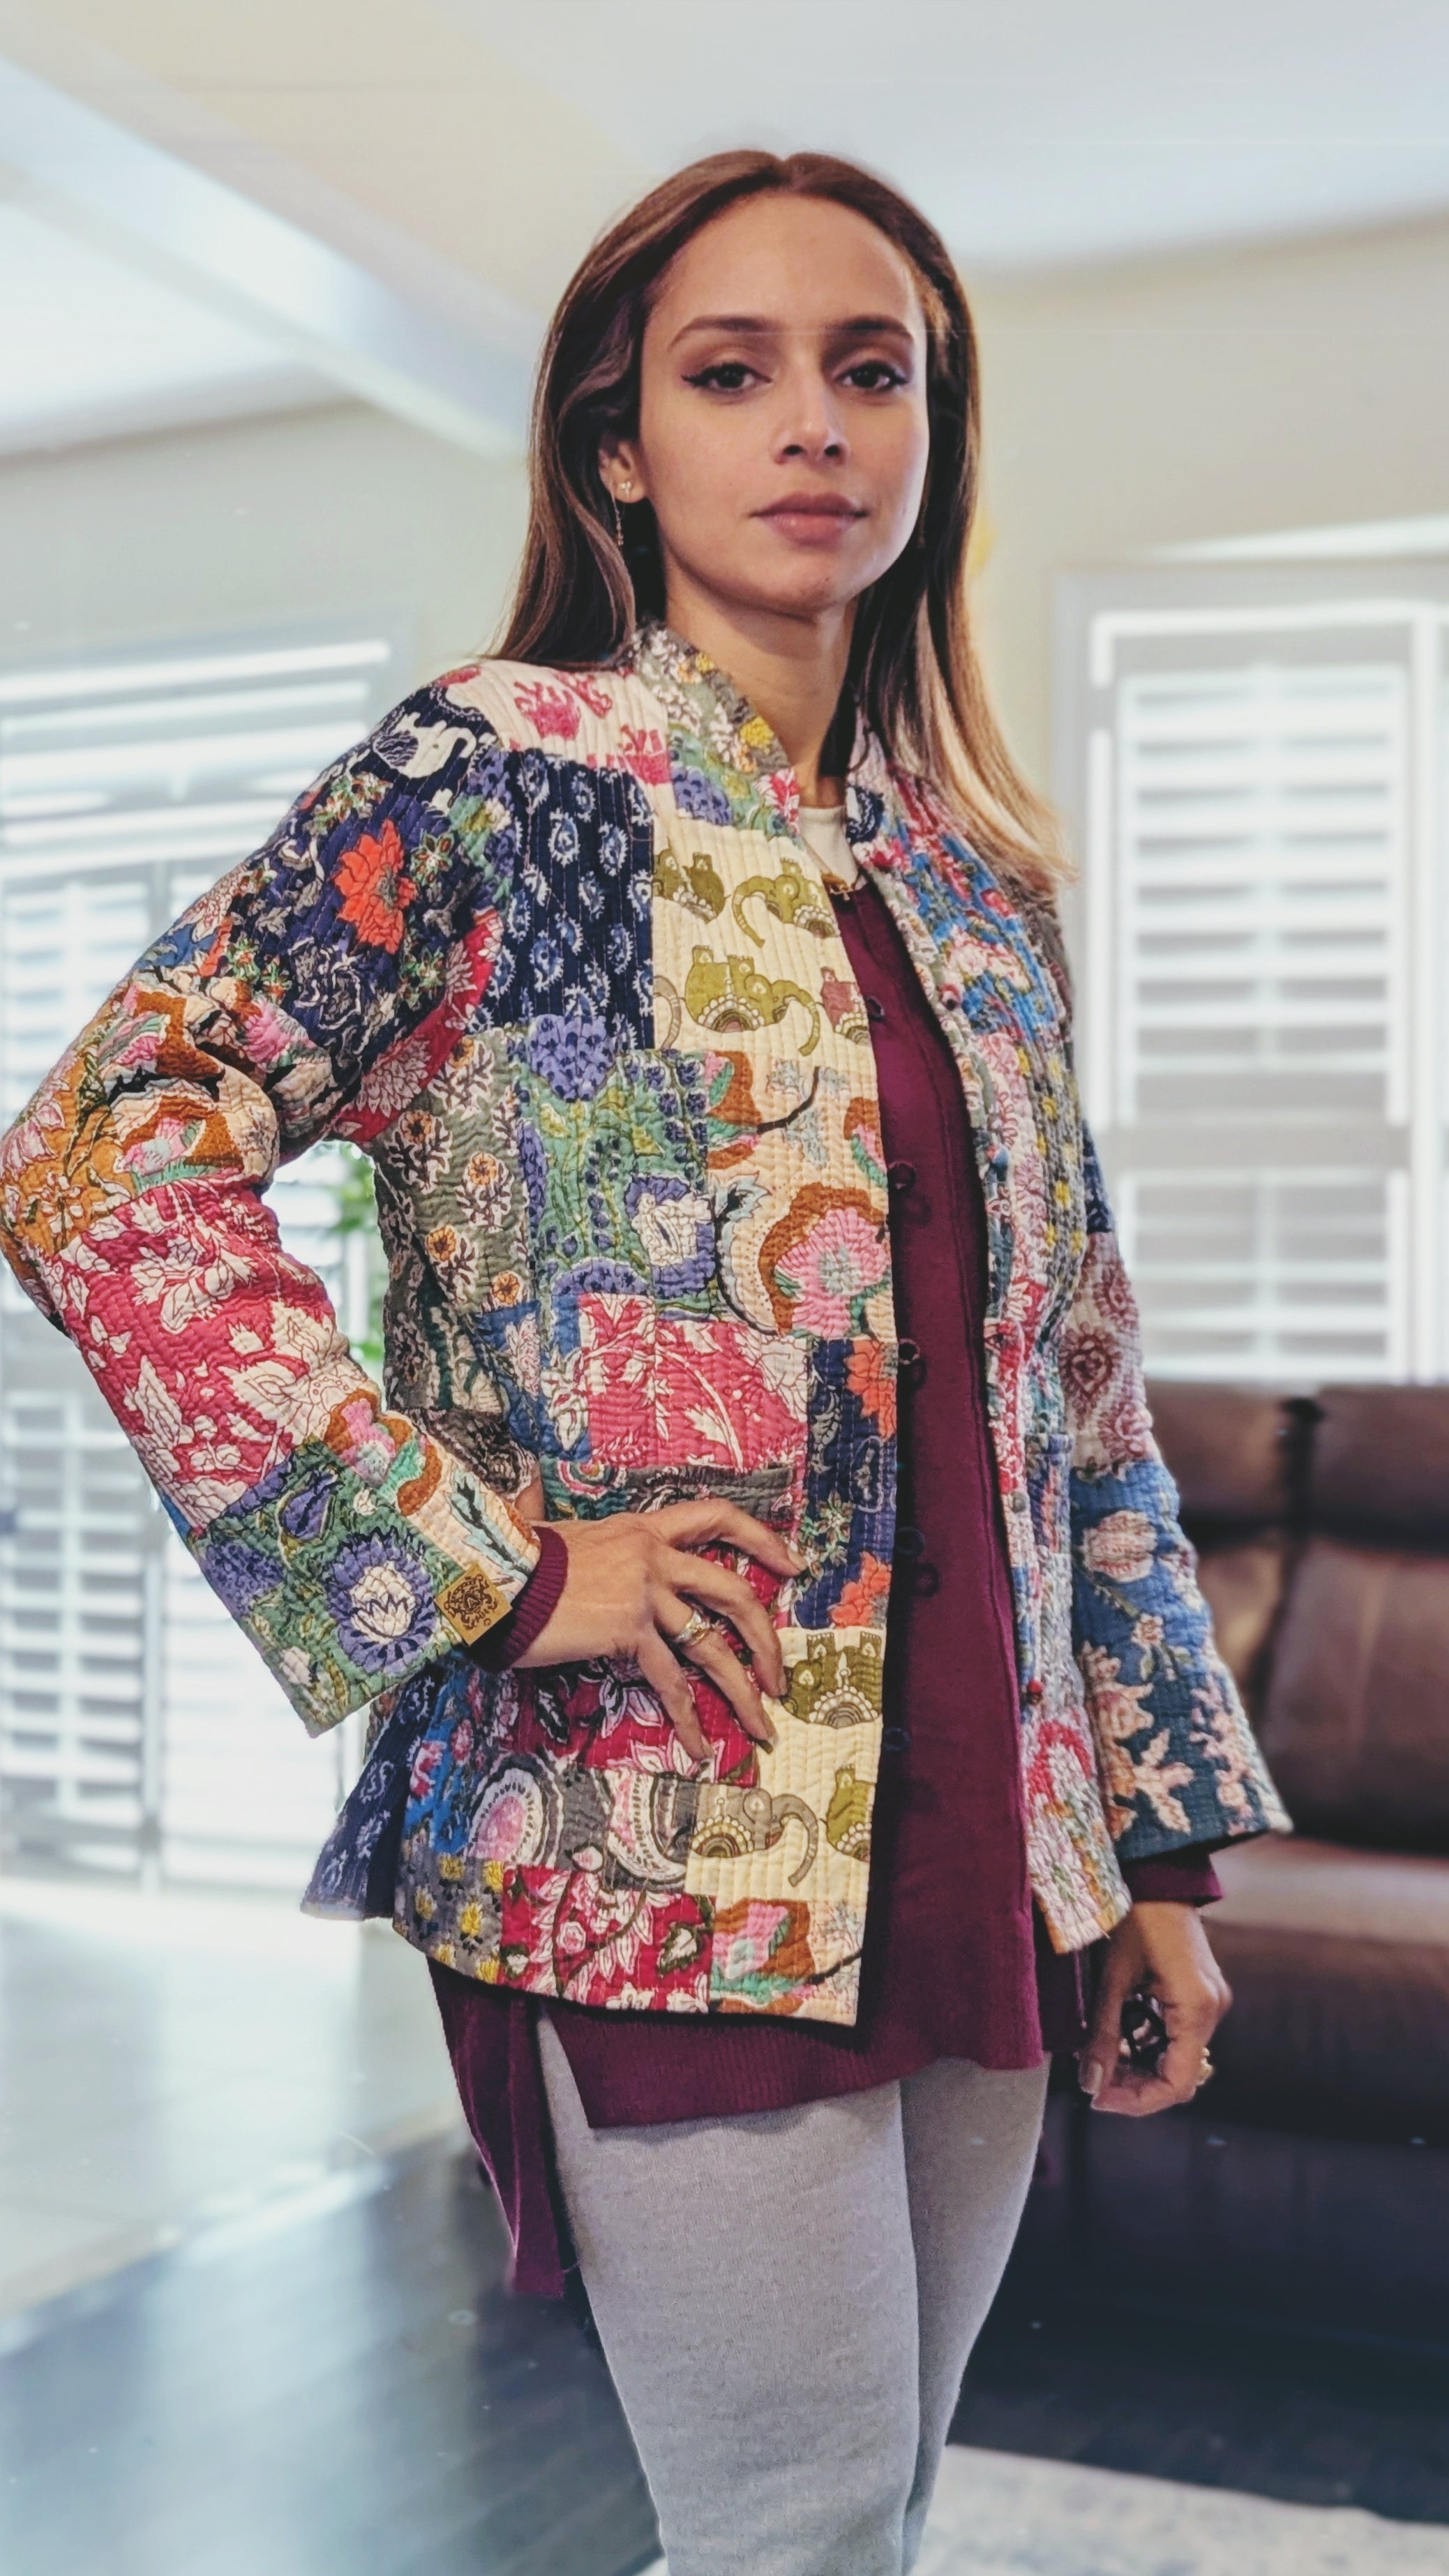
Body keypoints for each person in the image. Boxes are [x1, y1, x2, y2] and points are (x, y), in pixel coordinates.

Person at [0, 150, 1286, 2576]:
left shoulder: (973, 887)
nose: (813, 424)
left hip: (992, 1839)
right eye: (731, 372)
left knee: (872, 2520)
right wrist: (486, 1566)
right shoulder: (493, 785)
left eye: (870, 370)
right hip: (664, 1820)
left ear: (931, 437)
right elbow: (98, 1155)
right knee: (793, 2534)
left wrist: (1150, 1850)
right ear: (620, 445)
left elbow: (1079, 1399)